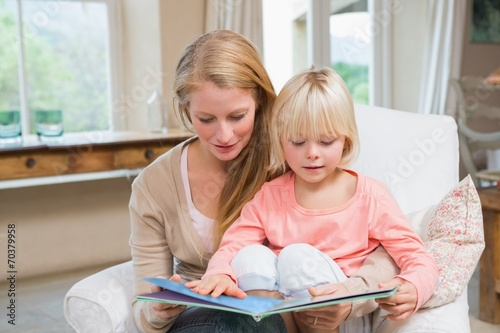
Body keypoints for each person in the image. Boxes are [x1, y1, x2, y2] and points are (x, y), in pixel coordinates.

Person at [130, 30, 400, 333]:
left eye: (237, 116)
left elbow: (370, 241)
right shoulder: (153, 186)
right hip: (205, 318)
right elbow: (143, 307)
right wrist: (159, 308)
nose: (224, 135)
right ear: (185, 110)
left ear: (258, 100)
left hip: (283, 316)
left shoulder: (293, 155)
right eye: (206, 119)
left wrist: (352, 295)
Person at [188, 67, 438, 333]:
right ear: (281, 140)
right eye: (297, 142)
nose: (312, 154)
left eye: (326, 141)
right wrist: (218, 274)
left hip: (343, 315)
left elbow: (418, 257)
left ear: (346, 140)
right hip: (288, 314)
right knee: (249, 256)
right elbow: (232, 247)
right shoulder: (270, 196)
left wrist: (413, 287)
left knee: (295, 257)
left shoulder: (369, 195)